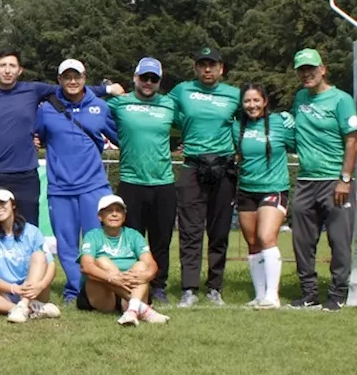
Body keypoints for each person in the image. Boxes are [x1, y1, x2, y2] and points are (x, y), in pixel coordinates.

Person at [0, 49, 121, 227]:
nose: (7, 70)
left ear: (20, 70)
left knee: (28, 232)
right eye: (3, 65)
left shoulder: (33, 90)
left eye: (12, 66)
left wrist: (107, 89)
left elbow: (71, 87)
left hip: (25, 173)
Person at [35, 58, 118, 302]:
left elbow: (120, 136)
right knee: (67, 244)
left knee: (94, 243)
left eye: (77, 76)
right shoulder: (46, 108)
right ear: (59, 80)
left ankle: (95, 286)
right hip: (60, 188)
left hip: (94, 187)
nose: (72, 81)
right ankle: (75, 290)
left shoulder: (100, 107)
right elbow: (36, 136)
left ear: (85, 79)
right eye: (67, 77)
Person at [289, 48, 357, 311]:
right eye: (301, 69)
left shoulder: (341, 100)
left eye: (311, 68)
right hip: (306, 181)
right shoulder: (299, 99)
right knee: (302, 241)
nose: (306, 73)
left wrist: (345, 179)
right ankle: (309, 293)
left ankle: (337, 294)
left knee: (339, 242)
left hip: (334, 181)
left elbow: (352, 140)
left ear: (323, 69)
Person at [170, 47, 241, 308]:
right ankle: (189, 288)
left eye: (212, 65)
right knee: (190, 229)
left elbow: (252, 120)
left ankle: (215, 288)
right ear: (195, 67)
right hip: (193, 165)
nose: (207, 70)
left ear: (221, 68)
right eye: (202, 64)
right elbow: (165, 111)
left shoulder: (234, 94)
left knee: (219, 230)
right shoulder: (181, 90)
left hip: (223, 167)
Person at [108, 57, 179, 304]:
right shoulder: (119, 103)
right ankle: (134, 286)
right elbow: (90, 112)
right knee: (132, 241)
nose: (148, 83)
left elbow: (194, 125)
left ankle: (159, 287)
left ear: (159, 82)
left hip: (163, 183)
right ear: (135, 77)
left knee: (161, 240)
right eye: (144, 77)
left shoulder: (170, 105)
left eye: (154, 79)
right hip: (131, 182)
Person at [234, 84, 295, 309]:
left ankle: (273, 296)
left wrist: (293, 118)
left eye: (256, 100)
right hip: (247, 190)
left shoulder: (279, 122)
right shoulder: (236, 127)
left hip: (274, 189)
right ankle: (259, 296)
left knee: (266, 237)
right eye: (247, 101)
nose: (252, 105)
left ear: (265, 101)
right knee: (252, 243)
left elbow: (301, 140)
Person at [76, 194, 170, 325]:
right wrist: (112, 278)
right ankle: (141, 308)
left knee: (142, 266)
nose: (114, 214)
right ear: (100, 216)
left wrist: (147, 275)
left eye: (118, 210)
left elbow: (151, 263)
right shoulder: (92, 236)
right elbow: (86, 267)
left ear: (124, 216)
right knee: (102, 261)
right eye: (109, 210)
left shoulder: (134, 235)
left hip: (132, 287)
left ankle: (132, 309)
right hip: (104, 293)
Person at [0, 188, 61, 323]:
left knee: (39, 256)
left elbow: (51, 265)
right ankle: (25, 309)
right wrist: (15, 289)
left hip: (34, 291)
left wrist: (41, 286)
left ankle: (24, 305)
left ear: (13, 205)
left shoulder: (32, 231)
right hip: (5, 294)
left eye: (2, 203)